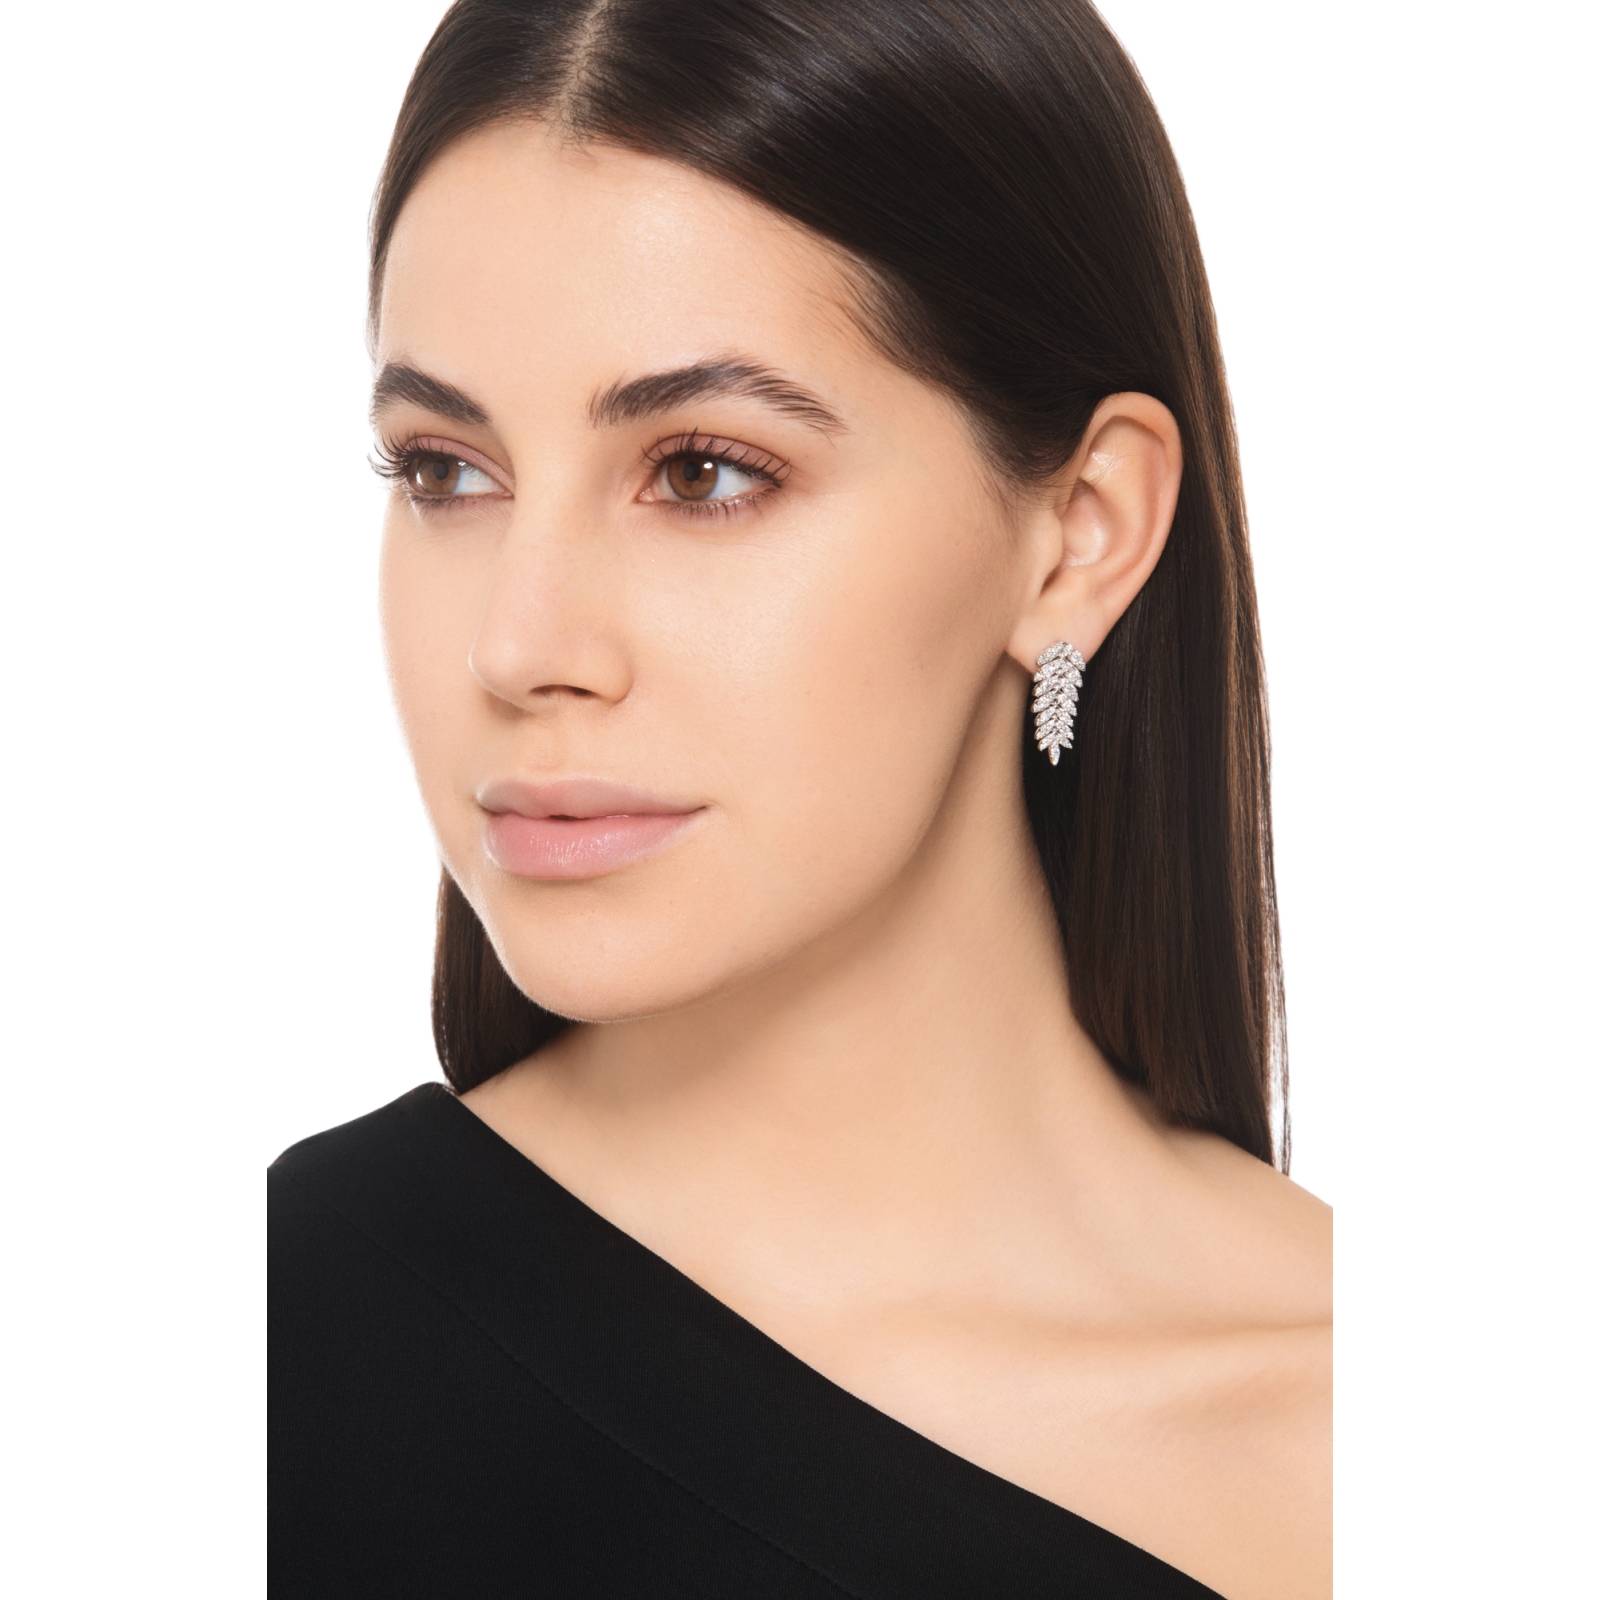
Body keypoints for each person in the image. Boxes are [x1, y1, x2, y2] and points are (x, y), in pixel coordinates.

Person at [268, 2, 1332, 1595]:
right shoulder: (244, 1361)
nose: (520, 645)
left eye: (703, 471)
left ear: (1079, 533)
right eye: (446, 471)